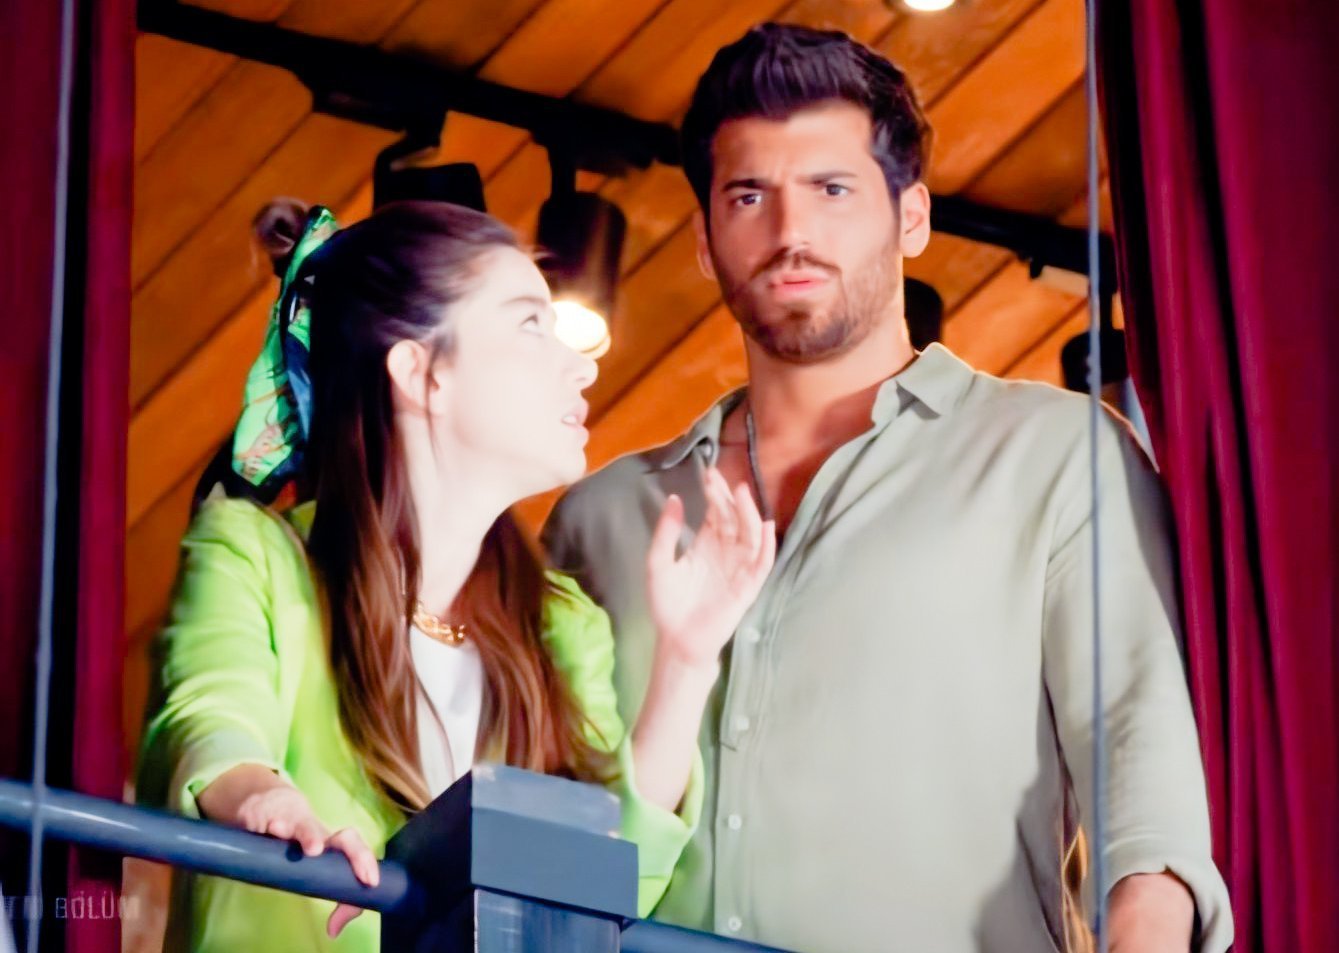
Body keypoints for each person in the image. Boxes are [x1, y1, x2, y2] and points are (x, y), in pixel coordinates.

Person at [542, 23, 1232, 953]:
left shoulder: (1055, 457)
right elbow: (539, 845)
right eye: (748, 195)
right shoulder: (596, 521)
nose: (790, 234)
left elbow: (1145, 804)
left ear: (911, 216)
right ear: (704, 238)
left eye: (831, 190)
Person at [136, 199, 776, 952]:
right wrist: (264, 798)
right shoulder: (253, 553)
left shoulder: (562, 620)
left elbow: (604, 883)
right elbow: (210, 720)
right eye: (530, 323)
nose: (582, 364)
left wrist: (688, 662)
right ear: (420, 373)